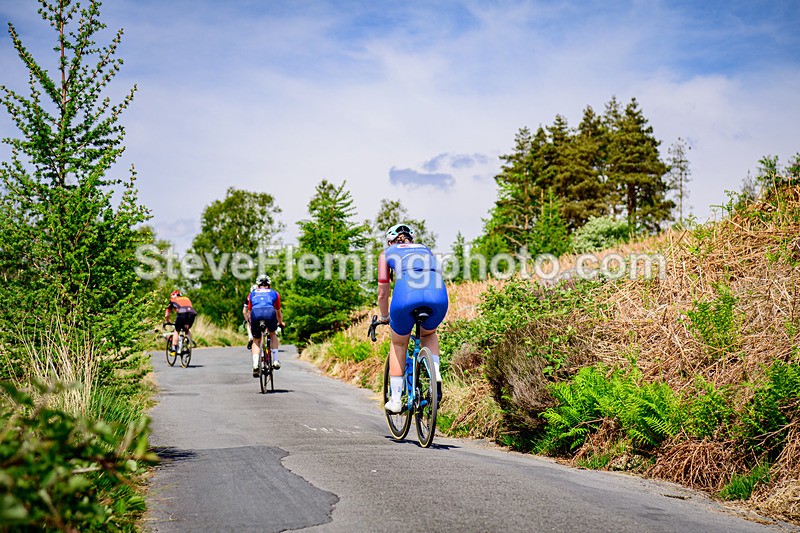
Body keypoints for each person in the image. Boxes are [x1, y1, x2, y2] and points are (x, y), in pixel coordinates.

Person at [377, 224, 448, 413]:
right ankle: (435, 372)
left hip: (406, 296)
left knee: (399, 344)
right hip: (438, 295)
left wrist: (385, 317)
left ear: (390, 241)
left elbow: (383, 293)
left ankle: (396, 400)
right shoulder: (425, 249)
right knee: (429, 333)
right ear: (411, 240)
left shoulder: (386, 253)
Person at [244, 274, 284, 377]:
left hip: (255, 314)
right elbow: (278, 312)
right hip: (270, 312)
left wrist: (250, 322)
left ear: (258, 285)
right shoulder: (274, 293)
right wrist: (280, 322)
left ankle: (255, 364)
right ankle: (275, 361)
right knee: (272, 334)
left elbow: (248, 311)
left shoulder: (252, 294)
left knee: (256, 340)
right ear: (269, 285)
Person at [164, 290, 197, 354]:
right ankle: (189, 344)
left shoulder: (172, 300)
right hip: (192, 313)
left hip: (182, 313)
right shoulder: (187, 298)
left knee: (177, 330)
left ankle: (174, 348)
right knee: (186, 329)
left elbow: (167, 314)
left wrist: (167, 321)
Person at [242, 284, 257, 350]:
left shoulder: (249, 297)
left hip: (253, 316)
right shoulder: (264, 295)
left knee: (249, 324)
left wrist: (247, 319)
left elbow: (244, 311)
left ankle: (250, 337)